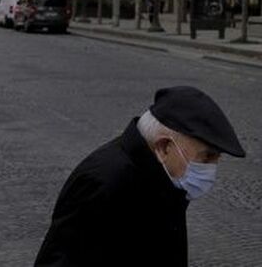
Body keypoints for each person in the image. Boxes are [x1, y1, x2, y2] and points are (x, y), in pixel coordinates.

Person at [35, 86, 246, 267]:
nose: (211, 168)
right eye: (207, 157)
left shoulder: (162, 179)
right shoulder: (105, 183)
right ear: (164, 147)